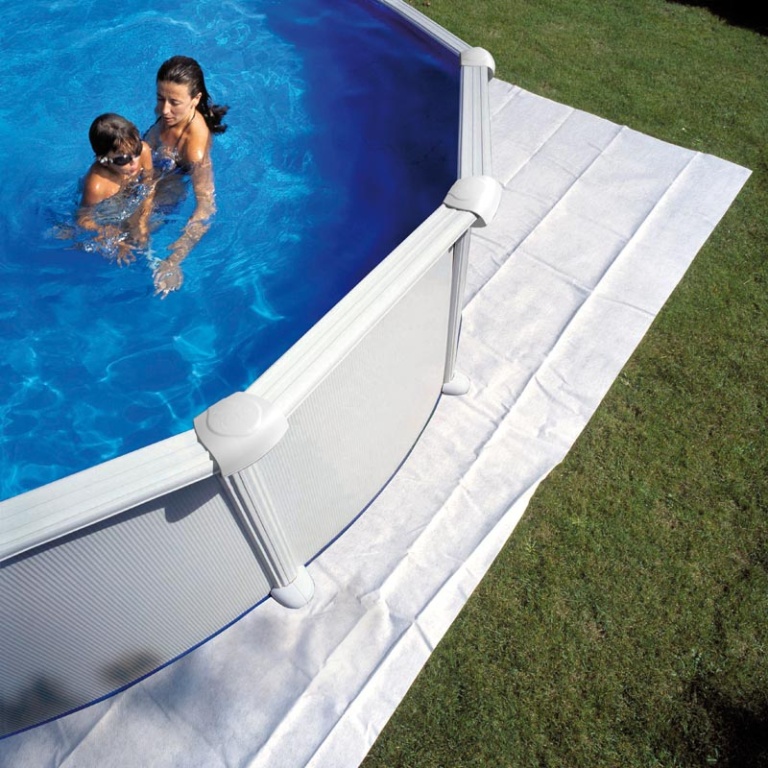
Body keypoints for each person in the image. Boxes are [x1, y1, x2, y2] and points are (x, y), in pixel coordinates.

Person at [144, 55, 228, 296]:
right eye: (160, 99)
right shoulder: (169, 113)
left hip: (172, 183)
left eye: (174, 102)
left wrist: (174, 260)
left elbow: (206, 208)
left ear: (195, 99)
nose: (164, 110)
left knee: (131, 234)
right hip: (152, 167)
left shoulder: (195, 149)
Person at [78, 113, 154, 265]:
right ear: (104, 161)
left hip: (131, 194)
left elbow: (149, 183)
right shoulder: (97, 186)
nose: (134, 162)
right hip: (107, 211)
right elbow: (83, 219)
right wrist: (111, 235)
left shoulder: (144, 151)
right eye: (123, 159)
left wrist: (142, 221)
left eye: (136, 150)